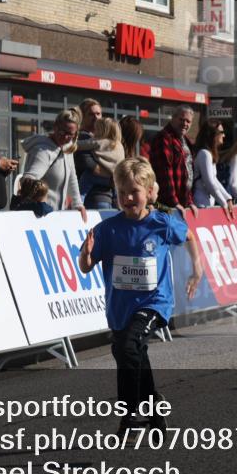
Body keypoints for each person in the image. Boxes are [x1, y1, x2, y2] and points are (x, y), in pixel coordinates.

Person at [78, 157, 203, 433]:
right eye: (121, 193)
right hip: (120, 307)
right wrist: (85, 255)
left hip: (154, 303)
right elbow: (86, 267)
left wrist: (197, 270)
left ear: (149, 193)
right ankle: (155, 407)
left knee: (129, 347)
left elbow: (190, 237)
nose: (127, 198)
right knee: (129, 353)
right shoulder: (108, 229)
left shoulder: (162, 223)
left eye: (134, 192)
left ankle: (131, 415)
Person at [20, 109, 88, 222]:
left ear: (75, 134)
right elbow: (27, 180)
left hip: (56, 214)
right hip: (40, 216)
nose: (65, 137)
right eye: (62, 132)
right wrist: (40, 197)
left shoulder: (67, 148)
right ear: (55, 127)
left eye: (70, 135)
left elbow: (72, 177)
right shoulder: (43, 151)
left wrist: (78, 204)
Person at [149, 107, 195, 213]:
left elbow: (189, 173)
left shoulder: (186, 141)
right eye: (181, 119)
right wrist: (174, 203)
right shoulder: (164, 138)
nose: (185, 123)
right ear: (173, 118)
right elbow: (164, 174)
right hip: (168, 206)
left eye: (188, 121)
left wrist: (189, 202)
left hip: (182, 203)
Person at [76, 117, 124, 209]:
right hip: (114, 179)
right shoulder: (119, 145)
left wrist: (70, 143)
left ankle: (79, 201)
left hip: (97, 176)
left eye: (96, 129)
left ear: (101, 130)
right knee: (117, 191)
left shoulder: (98, 141)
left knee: (85, 178)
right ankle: (119, 204)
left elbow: (79, 145)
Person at [192, 119, 234, 217]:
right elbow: (209, 182)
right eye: (222, 132)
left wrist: (227, 198)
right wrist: (224, 203)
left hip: (206, 204)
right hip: (201, 205)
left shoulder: (208, 154)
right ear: (212, 134)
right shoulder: (204, 154)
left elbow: (214, 180)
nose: (224, 135)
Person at [73, 98, 103, 179]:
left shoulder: (101, 138)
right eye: (91, 114)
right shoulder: (82, 137)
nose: (96, 118)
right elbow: (89, 165)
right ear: (82, 116)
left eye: (98, 114)